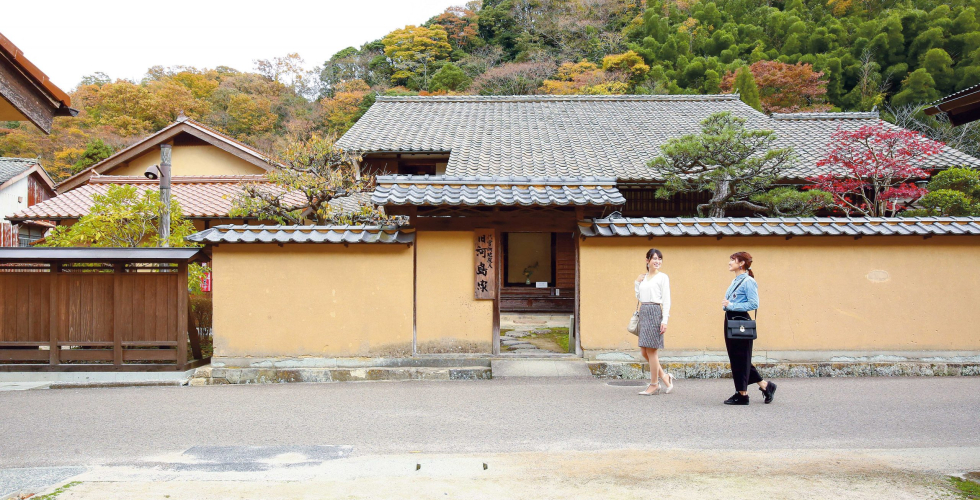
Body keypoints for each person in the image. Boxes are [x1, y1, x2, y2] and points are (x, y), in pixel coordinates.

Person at [722, 251, 776, 405]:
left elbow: (754, 304)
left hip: (741, 322)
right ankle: (765, 386)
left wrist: (731, 305)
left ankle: (742, 394)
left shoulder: (748, 281)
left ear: (741, 263)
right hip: (730, 320)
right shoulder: (735, 281)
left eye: (733, 260)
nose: (730, 262)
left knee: (741, 358)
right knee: (737, 358)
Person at [634, 248, 675, 396]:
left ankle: (654, 384)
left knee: (652, 351)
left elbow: (666, 300)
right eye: (654, 258)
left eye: (659, 259)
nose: (657, 261)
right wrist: (637, 283)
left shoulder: (663, 277)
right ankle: (664, 376)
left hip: (655, 312)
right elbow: (639, 296)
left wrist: (665, 320)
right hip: (644, 312)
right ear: (647, 261)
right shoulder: (644, 278)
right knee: (644, 351)